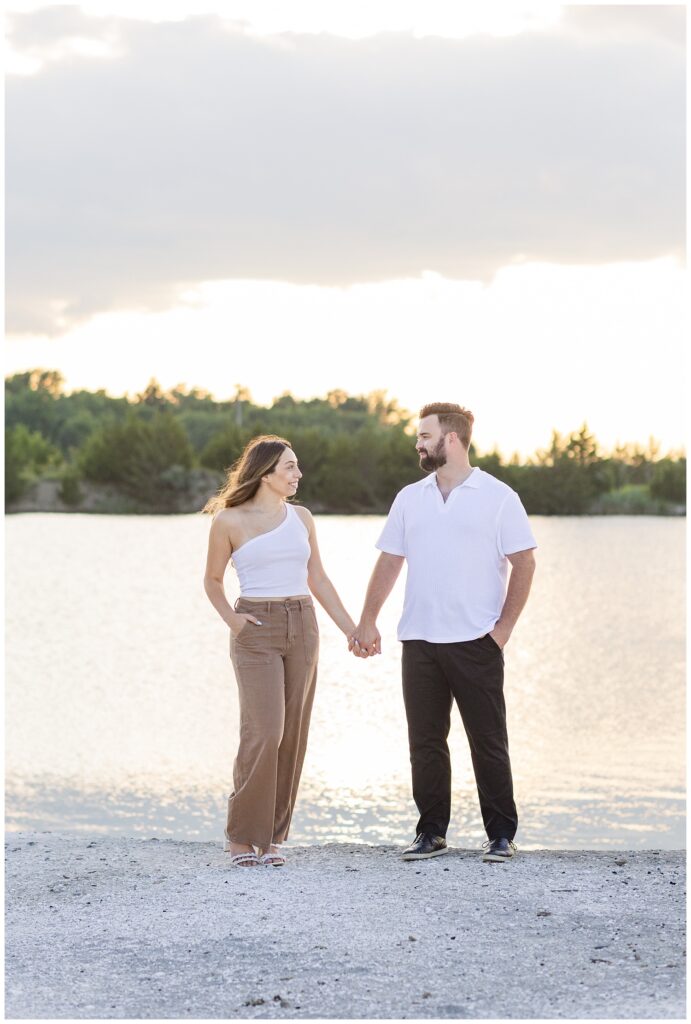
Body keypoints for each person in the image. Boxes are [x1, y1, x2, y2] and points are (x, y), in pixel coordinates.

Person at [350, 403, 537, 863]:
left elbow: (525, 562)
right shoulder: (410, 498)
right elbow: (391, 560)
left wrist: (503, 630)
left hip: (477, 642)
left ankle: (500, 834)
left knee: (487, 740)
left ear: (450, 439)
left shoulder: (498, 497)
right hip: (419, 640)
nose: (418, 442)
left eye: (424, 435)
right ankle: (431, 832)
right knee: (426, 742)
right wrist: (368, 618)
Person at [203, 435, 358, 867]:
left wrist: (352, 630)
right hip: (256, 626)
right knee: (264, 730)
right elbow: (213, 582)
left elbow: (319, 579)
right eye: (289, 467)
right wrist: (235, 622)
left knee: (292, 733)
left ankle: (271, 838)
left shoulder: (303, 518)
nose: (298, 474)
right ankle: (240, 838)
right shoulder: (229, 522)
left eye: (297, 466)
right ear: (265, 472)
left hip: (302, 625)